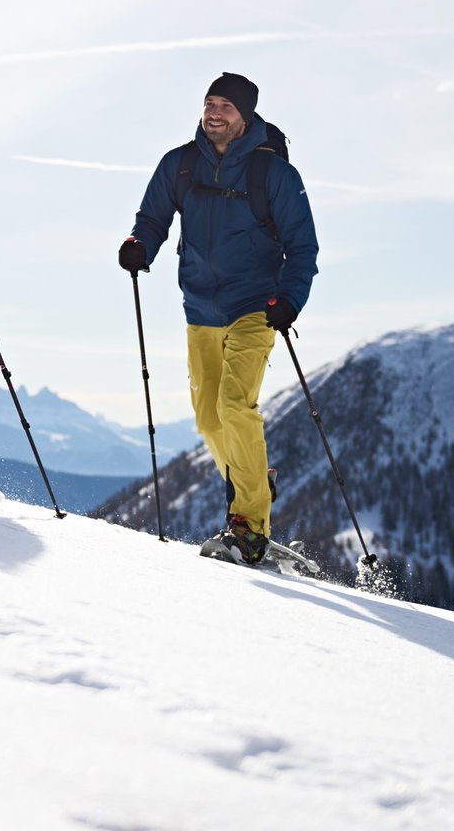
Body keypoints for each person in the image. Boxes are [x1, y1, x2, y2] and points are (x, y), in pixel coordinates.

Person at [118, 71, 318, 564]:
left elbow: (303, 246)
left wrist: (290, 298)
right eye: (209, 103)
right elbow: (153, 218)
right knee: (209, 419)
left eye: (225, 107)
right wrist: (140, 245)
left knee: (234, 406)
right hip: (200, 306)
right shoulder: (181, 165)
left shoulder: (273, 174)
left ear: (245, 116)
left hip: (256, 306)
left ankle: (249, 525)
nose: (214, 113)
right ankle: (255, 479)